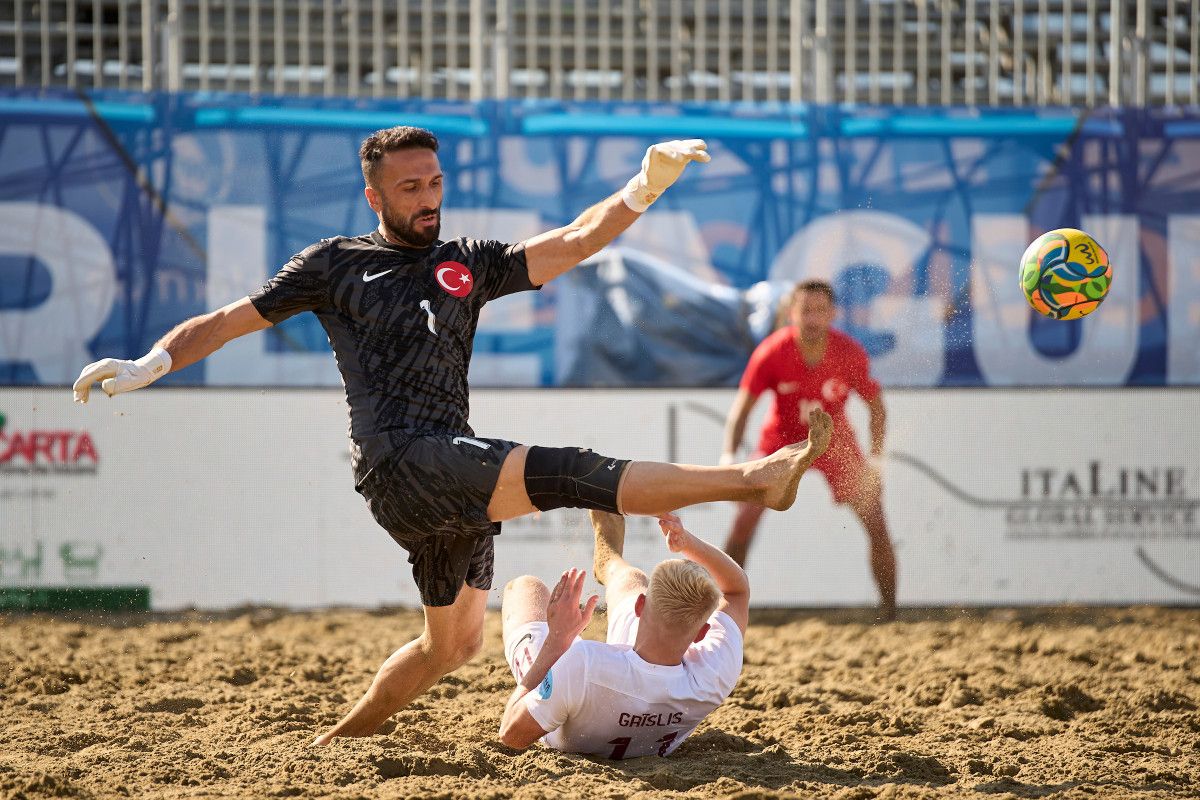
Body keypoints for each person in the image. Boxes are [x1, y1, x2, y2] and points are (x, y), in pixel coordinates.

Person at [71, 126, 834, 744]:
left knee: (453, 647)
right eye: (410, 188)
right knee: (576, 472)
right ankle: (752, 479)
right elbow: (226, 321)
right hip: (401, 461)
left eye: (435, 183)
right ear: (374, 196)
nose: (428, 198)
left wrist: (644, 186)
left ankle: (333, 742)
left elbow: (574, 241)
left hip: (449, 473)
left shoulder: (465, 262)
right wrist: (150, 363)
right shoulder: (334, 265)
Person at [496, 502, 775, 758]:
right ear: (701, 633)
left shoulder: (582, 661)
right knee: (632, 579)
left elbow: (511, 735)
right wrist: (689, 544)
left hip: (574, 710)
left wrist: (557, 643)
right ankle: (609, 559)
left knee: (526, 588)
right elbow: (737, 589)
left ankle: (608, 547)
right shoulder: (714, 670)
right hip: (629, 691)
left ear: (641, 606)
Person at [719, 279, 898, 621]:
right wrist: (729, 456)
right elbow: (741, 409)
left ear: (833, 314)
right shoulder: (772, 352)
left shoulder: (849, 352)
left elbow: (877, 407)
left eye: (820, 310)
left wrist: (876, 460)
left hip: (834, 443)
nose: (812, 318)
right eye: (805, 310)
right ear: (791, 313)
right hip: (782, 442)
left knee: (876, 521)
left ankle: (890, 614)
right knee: (743, 520)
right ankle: (724, 612)